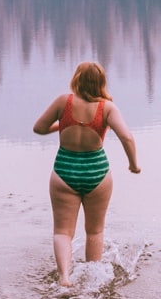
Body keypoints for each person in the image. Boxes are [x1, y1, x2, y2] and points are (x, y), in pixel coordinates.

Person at [33, 61, 140, 286]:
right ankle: (93, 281)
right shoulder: (107, 108)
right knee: (94, 231)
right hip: (97, 174)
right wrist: (133, 165)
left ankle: (64, 277)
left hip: (64, 172)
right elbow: (127, 137)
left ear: (77, 80)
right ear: (101, 83)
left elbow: (39, 128)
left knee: (62, 232)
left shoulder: (63, 102)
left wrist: (62, 125)